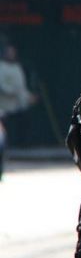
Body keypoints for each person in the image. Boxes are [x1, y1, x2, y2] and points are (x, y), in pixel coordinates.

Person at [0, 44, 37, 180]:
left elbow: (21, 88)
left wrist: (29, 96)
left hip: (17, 105)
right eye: (9, 52)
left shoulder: (17, 67)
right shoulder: (1, 67)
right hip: (3, 107)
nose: (11, 54)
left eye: (13, 52)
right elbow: (3, 86)